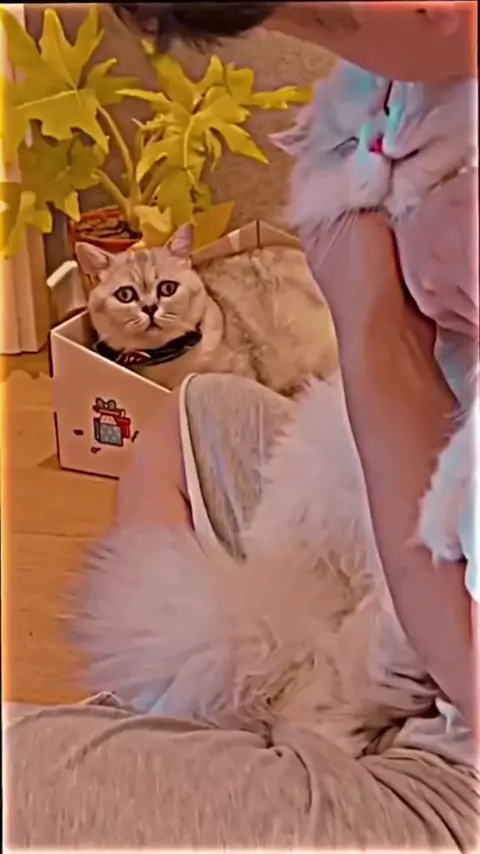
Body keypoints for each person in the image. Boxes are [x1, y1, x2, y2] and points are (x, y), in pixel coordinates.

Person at [6, 3, 479, 848]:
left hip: (452, 739)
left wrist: (377, 331)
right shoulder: (411, 94)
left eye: (327, 27)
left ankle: (228, 743)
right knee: (187, 414)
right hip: (408, 506)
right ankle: (204, 724)